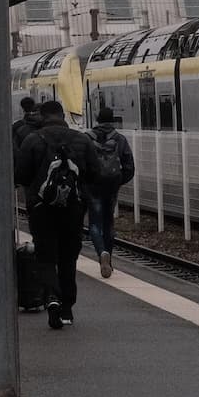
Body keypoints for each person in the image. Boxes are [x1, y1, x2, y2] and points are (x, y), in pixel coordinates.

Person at [14, 100, 103, 329]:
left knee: (45, 257)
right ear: (63, 114)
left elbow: (21, 175)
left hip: (41, 209)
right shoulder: (82, 139)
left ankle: (51, 298)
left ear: (42, 116)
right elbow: (95, 173)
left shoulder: (33, 140)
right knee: (68, 258)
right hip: (73, 208)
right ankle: (67, 308)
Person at [86, 106, 135, 279]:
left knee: (94, 223)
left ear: (97, 119)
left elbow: (80, 163)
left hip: (93, 186)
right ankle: (109, 259)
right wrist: (119, 181)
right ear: (113, 120)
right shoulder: (120, 139)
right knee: (108, 223)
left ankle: (102, 254)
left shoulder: (87, 138)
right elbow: (129, 166)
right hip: (111, 186)